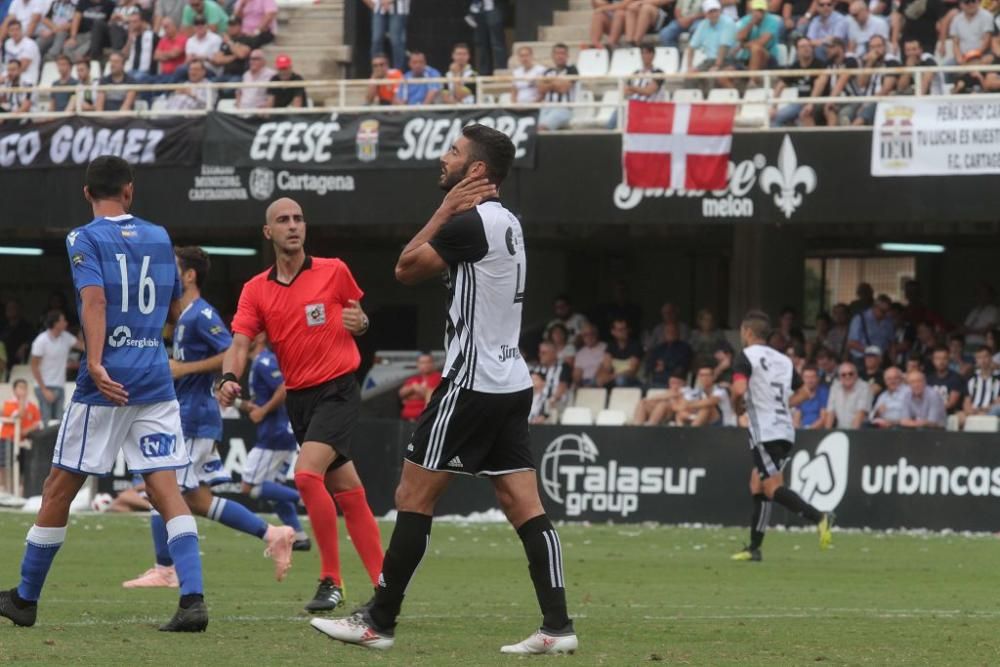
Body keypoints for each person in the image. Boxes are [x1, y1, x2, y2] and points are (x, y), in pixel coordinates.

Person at [310, 125, 578, 655]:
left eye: (453, 151)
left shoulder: (468, 223)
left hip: (472, 382)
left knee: (413, 495)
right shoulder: (509, 223)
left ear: (476, 171)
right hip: (511, 380)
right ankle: (558, 626)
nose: (444, 157)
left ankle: (378, 622)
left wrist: (443, 212)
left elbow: (405, 267)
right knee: (522, 502)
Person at [0, 156, 208, 632]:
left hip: (107, 385)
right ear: (130, 191)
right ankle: (192, 598)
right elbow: (175, 306)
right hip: (155, 381)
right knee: (165, 489)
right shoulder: (159, 236)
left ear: (86, 192)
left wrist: (95, 360)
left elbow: (94, 300)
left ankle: (25, 599)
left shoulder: (84, 238)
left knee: (59, 487)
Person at [217, 198, 383, 614]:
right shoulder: (256, 289)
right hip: (301, 399)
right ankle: (386, 584)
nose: (293, 226)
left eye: (298, 219)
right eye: (283, 221)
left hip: (339, 390)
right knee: (347, 489)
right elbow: (239, 343)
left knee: (307, 475)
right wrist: (229, 378)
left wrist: (360, 323)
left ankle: (331, 580)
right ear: (267, 232)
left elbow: (359, 316)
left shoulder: (334, 270)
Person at [122, 245, 295, 589]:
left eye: (172, 268)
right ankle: (273, 533)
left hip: (194, 418)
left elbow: (230, 349)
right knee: (198, 500)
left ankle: (165, 569)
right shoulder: (184, 316)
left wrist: (184, 369)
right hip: (189, 415)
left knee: (162, 488)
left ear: (189, 276)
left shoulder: (202, 315)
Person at [730, 311, 834, 563]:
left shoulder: (745, 357)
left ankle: (820, 517)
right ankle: (754, 548)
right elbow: (805, 393)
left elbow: (739, 389)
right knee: (757, 483)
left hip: (764, 432)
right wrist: (779, 405)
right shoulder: (783, 360)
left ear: (747, 332)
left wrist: (737, 406)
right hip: (784, 430)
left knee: (771, 486)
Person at [238, 333, 310, 550]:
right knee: (273, 490)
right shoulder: (260, 362)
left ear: (259, 338)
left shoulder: (265, 360)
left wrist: (263, 410)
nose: (240, 337)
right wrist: (246, 405)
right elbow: (265, 397)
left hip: (274, 434)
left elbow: (284, 387)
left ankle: (302, 498)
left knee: (249, 486)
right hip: (281, 433)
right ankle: (299, 537)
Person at [30, 311, 82, 424]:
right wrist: (44, 389)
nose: (66, 322)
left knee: (60, 421)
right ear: (56, 323)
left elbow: (83, 346)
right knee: (46, 420)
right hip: (44, 386)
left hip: (59, 385)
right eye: (63, 320)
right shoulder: (41, 340)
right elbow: (34, 367)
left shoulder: (66, 337)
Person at [0, 379, 42, 493]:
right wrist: (22, 400)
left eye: (25, 387)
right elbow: (20, 414)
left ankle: (21, 489)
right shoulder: (8, 404)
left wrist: (27, 430)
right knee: (3, 464)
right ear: (14, 390)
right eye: (20, 387)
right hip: (8, 439)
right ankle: (3, 488)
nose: (23, 390)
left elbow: (38, 423)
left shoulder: (32, 406)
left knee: (24, 467)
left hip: (24, 442)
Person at [537, 43, 578, 131]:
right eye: (557, 53)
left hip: (563, 108)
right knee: (532, 129)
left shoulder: (572, 70)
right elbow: (541, 89)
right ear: (552, 55)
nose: (560, 56)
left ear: (567, 56)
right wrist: (557, 83)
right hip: (546, 108)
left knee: (542, 128)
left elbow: (563, 88)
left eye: (562, 53)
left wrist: (549, 82)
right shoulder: (547, 71)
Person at [531, 341, 572, 424]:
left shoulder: (563, 367)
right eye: (540, 352)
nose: (540, 355)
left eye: (544, 353)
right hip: (537, 400)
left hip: (555, 402)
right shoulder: (536, 369)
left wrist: (553, 399)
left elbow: (562, 387)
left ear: (553, 353)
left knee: (548, 404)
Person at [595, 318, 643, 387]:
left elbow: (632, 371)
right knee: (595, 381)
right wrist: (602, 377)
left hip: (632, 380)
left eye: (625, 329)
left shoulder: (635, 345)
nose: (624, 331)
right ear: (613, 332)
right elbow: (606, 367)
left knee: (620, 380)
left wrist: (610, 377)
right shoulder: (611, 346)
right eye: (620, 330)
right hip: (615, 378)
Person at [365, 0, 408, 71]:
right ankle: (377, 70)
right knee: (376, 40)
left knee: (396, 41)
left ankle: (398, 71)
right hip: (379, 8)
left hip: (399, 9)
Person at [399, 353, 441, 421]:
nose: (426, 365)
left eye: (428, 362)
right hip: (406, 420)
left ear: (433, 364)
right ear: (418, 365)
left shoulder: (438, 377)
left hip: (425, 419)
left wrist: (411, 394)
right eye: (422, 362)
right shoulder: (413, 379)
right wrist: (414, 387)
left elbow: (432, 396)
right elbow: (401, 394)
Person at [470, 0, 507, 76]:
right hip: (477, 11)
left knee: (497, 43)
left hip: (493, 9)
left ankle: (501, 69)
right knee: (482, 44)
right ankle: (484, 72)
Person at [927, 345, 964, 413]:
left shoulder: (956, 378)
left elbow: (951, 403)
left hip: (949, 416)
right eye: (937, 358)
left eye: (944, 358)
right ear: (933, 361)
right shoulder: (929, 379)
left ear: (948, 360)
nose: (941, 362)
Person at [3, 19, 41, 85]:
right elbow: (8, 64)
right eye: (12, 30)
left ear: (21, 30)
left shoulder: (30, 44)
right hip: (11, 79)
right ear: (8, 32)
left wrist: (4, 76)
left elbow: (22, 67)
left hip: (27, 79)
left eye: (17, 29)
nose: (15, 32)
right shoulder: (8, 43)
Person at [572, 322, 606, 387]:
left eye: (591, 334)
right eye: (585, 335)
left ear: (596, 334)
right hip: (584, 382)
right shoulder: (580, 353)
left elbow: (605, 367)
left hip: (599, 382)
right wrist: (577, 384)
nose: (589, 337)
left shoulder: (606, 348)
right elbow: (577, 372)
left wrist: (592, 383)